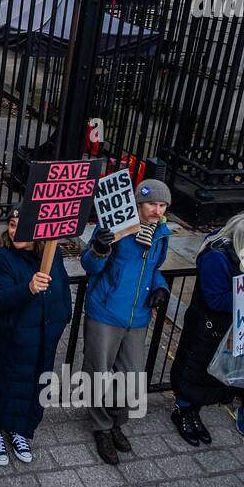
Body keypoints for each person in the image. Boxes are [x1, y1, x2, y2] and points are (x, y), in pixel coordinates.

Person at [79, 178, 172, 464]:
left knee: (131, 378)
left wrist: (160, 287)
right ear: (138, 204)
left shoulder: (162, 233)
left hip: (138, 315)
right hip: (106, 311)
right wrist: (98, 247)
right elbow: (90, 266)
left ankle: (117, 420)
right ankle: (102, 427)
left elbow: (155, 268)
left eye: (162, 205)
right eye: (152, 205)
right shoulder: (116, 226)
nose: (158, 210)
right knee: (98, 372)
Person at [0, 207, 73, 466]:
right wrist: (28, 288)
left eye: (22, 225)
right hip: (9, 340)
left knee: (29, 389)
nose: (15, 230)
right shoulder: (1, 257)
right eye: (12, 224)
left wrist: (61, 320)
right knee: (2, 385)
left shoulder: (52, 254)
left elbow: (61, 291)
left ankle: (18, 430)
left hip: (40, 341)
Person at [168, 213, 244, 446]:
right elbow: (216, 300)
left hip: (227, 329)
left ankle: (194, 412)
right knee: (194, 370)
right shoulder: (216, 258)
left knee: (209, 373)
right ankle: (183, 412)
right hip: (207, 327)